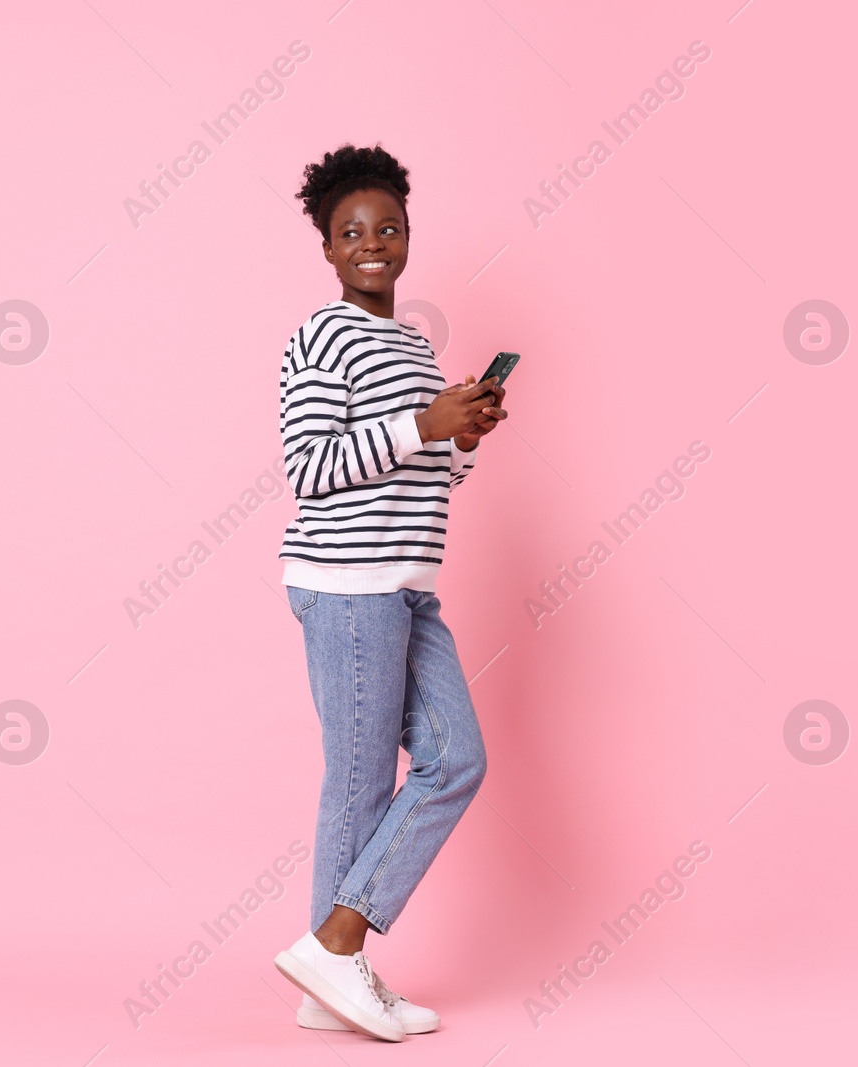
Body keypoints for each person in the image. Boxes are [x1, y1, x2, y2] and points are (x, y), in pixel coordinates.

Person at [271, 143, 509, 1042]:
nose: (374, 243)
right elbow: (313, 468)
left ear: (409, 237)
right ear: (328, 249)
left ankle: (326, 970)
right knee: (363, 778)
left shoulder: (412, 342)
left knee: (455, 760)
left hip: (407, 586)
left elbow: (423, 480)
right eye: (352, 232)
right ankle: (338, 958)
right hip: (346, 585)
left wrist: (464, 437)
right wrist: (422, 422)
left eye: (389, 228)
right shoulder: (321, 336)